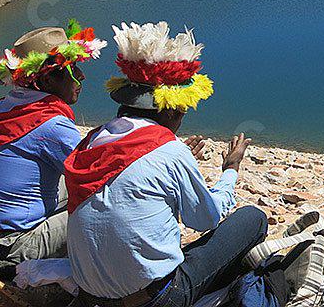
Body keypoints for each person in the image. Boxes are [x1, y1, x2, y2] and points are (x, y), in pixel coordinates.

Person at [65, 21, 267, 307]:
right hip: (155, 299)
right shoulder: (169, 152)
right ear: (169, 108)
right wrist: (230, 171)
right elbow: (206, 219)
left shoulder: (92, 140)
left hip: (90, 296)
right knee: (251, 219)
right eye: (182, 110)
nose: (182, 117)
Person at [0, 21, 105, 264]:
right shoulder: (51, 124)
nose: (81, 76)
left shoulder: (8, 106)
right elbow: (94, 178)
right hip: (11, 243)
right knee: (103, 208)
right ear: (45, 83)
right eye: (71, 70)